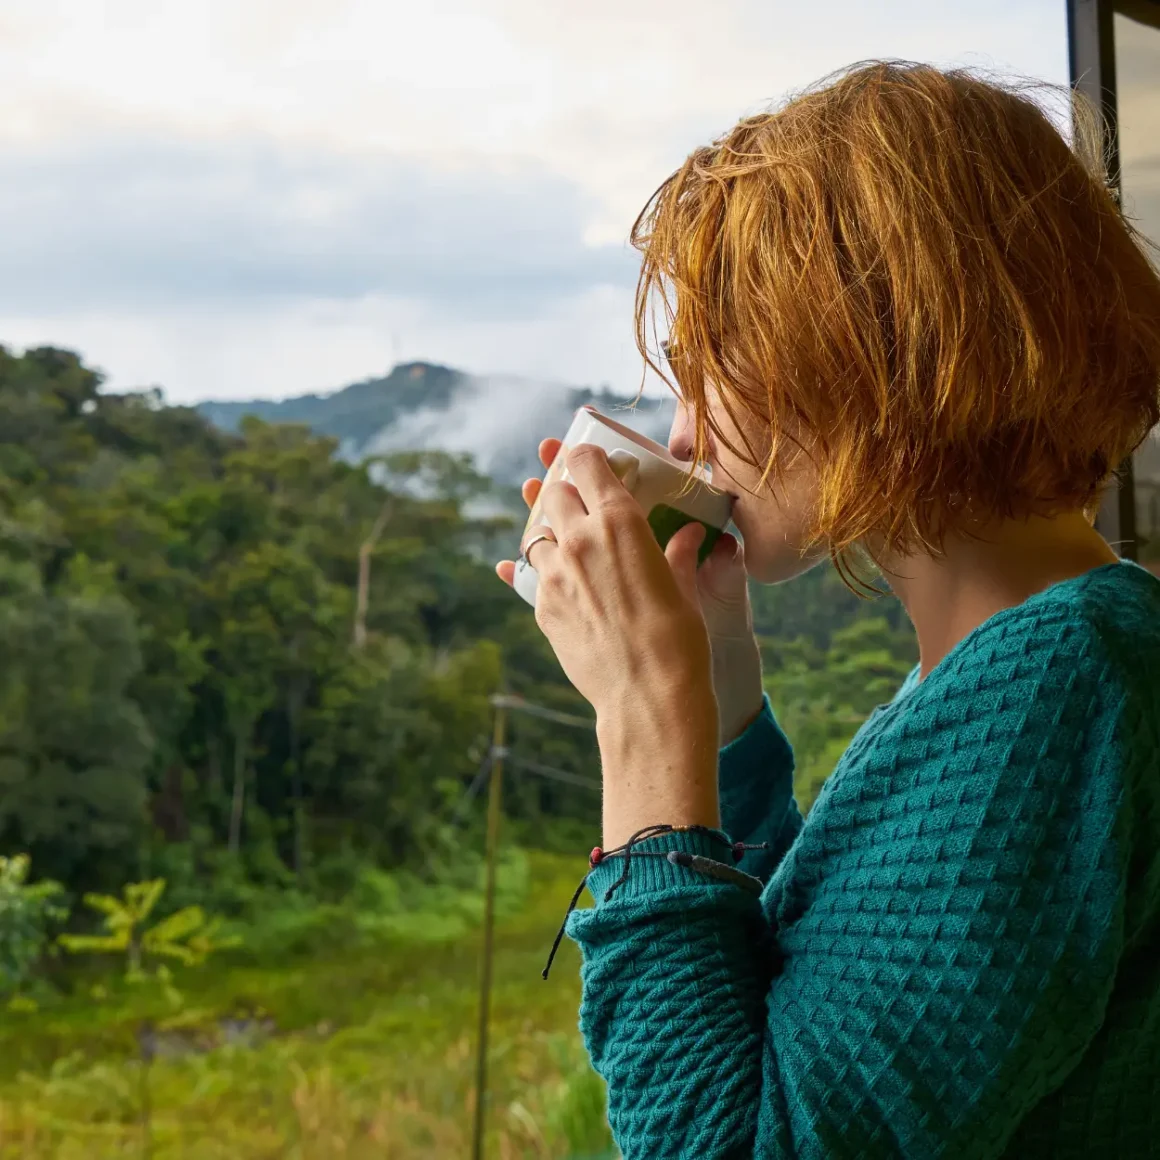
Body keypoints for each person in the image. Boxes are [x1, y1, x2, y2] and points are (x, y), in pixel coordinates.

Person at [495, 61, 1160, 1159]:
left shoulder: (1059, 679)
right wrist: (719, 710)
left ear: (868, 350)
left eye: (711, 367)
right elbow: (833, 997)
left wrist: (642, 729)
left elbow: (733, 1141)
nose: (681, 432)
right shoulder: (1028, 654)